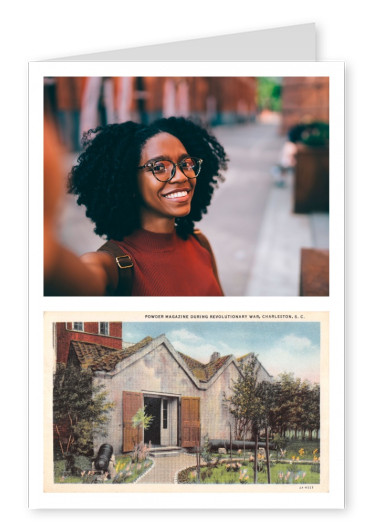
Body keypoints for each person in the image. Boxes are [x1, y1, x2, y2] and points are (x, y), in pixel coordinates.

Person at [45, 116, 227, 296]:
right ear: (130, 181)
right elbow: (73, 280)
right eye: (159, 167)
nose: (181, 176)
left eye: (186, 164)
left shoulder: (200, 243)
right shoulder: (111, 266)